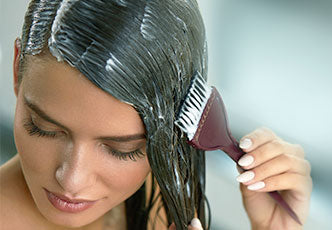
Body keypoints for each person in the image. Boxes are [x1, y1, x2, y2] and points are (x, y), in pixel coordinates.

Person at [0, 0, 312, 229]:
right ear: (17, 69)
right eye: (44, 128)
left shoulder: (158, 198)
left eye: (122, 150)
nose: (71, 180)